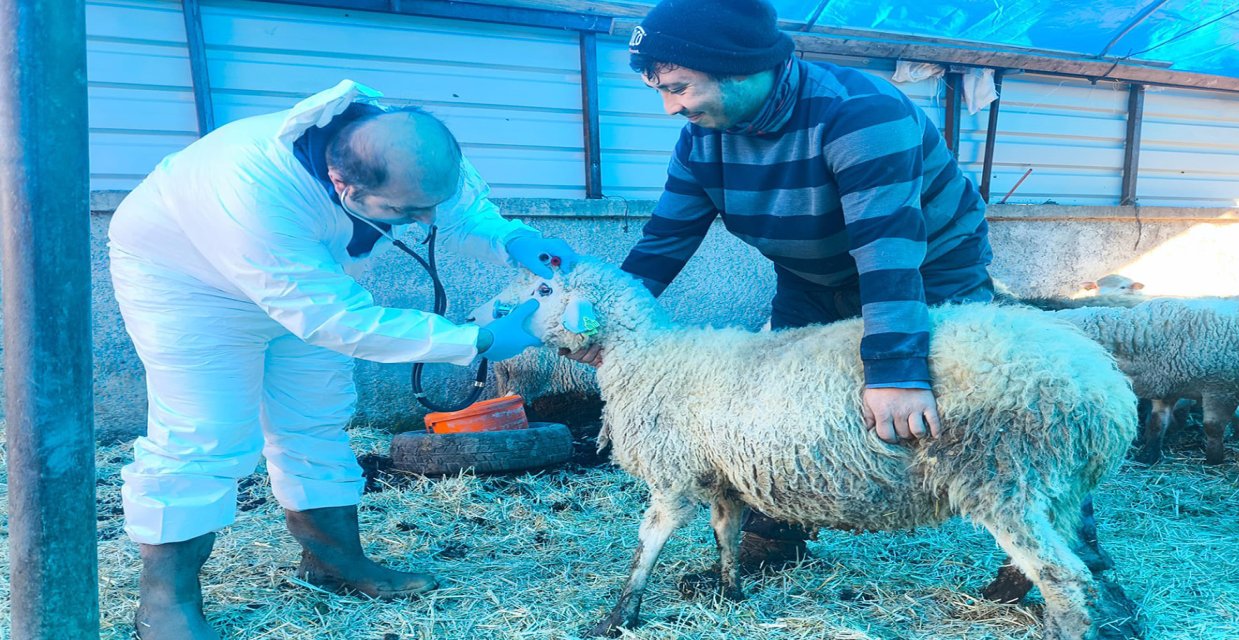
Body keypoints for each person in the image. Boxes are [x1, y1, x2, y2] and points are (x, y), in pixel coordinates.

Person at [109, 80, 577, 639]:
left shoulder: (404, 146)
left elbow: (459, 211)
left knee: (317, 413)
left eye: (430, 204)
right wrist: (474, 342)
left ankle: (333, 561)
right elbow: (338, 322)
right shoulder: (251, 186)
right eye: (408, 211)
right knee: (205, 431)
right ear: (342, 183)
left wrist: (511, 239)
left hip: (311, 277)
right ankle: (166, 601)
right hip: (191, 287)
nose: (427, 220)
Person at [572, 0, 996, 568]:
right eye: (661, 91)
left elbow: (886, 251)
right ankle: (775, 537)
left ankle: (1066, 560)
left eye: (679, 87)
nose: (670, 106)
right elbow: (662, 243)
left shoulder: (861, 113)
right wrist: (607, 325)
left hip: (926, 269)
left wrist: (895, 369)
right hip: (810, 278)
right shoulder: (703, 140)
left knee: (987, 400)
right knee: (775, 410)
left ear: (740, 68)